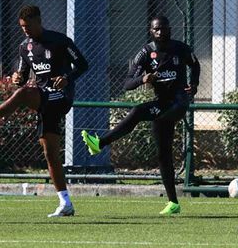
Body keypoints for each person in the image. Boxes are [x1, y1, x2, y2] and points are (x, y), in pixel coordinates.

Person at [0, 5, 88, 217]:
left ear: (38, 21)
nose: (25, 30)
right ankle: (65, 203)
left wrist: (67, 78)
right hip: (44, 100)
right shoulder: (24, 47)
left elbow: (82, 64)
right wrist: (17, 78)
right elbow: (23, 77)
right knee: (50, 153)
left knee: (24, 95)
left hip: (60, 96)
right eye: (22, 27)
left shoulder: (60, 41)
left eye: (28, 26)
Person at [81, 15, 200, 216]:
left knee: (138, 111)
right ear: (151, 31)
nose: (161, 32)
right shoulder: (145, 53)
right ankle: (173, 203)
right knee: (163, 153)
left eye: (164, 28)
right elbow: (127, 83)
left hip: (178, 102)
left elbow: (195, 65)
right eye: (156, 29)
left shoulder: (180, 48)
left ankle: (100, 143)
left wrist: (194, 84)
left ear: (170, 29)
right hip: (162, 105)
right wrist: (142, 78)